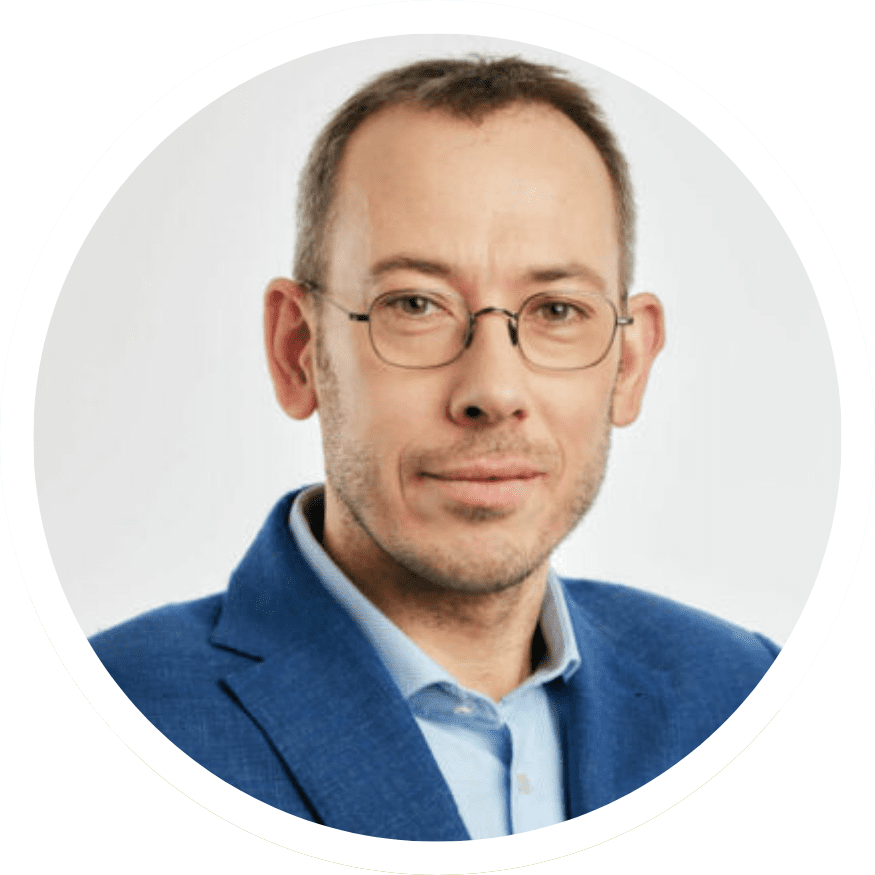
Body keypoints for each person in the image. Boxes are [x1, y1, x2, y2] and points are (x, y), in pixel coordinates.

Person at [91, 57, 779, 841]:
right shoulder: (111, 718)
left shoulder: (745, 693)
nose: (492, 389)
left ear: (627, 365)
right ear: (298, 351)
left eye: (556, 309)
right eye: (415, 304)